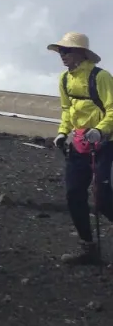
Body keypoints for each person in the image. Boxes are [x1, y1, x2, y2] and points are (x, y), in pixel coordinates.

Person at [48, 32, 113, 266]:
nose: (62, 56)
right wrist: (62, 133)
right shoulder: (64, 80)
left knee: (103, 199)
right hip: (78, 145)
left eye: (67, 51)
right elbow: (67, 109)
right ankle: (88, 248)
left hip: (104, 145)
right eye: (61, 51)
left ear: (81, 53)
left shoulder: (101, 77)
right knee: (74, 195)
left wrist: (101, 130)